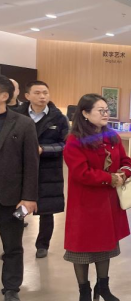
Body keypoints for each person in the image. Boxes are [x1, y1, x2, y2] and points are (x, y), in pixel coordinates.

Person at [63, 94, 131, 301]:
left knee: (105, 247)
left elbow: (126, 161)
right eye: (100, 110)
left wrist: (123, 174)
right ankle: (84, 290)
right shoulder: (74, 140)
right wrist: (109, 178)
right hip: (85, 204)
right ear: (85, 113)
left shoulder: (112, 136)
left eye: (106, 110)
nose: (105, 114)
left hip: (108, 202)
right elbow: (80, 172)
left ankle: (103, 287)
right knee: (82, 250)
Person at [17, 81, 69, 258]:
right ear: (27, 96)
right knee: (19, 210)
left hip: (48, 170)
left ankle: (42, 245)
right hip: (21, 170)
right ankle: (14, 245)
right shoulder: (17, 115)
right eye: (37, 93)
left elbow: (66, 145)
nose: (42, 96)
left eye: (45, 93)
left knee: (47, 210)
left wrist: (44, 149)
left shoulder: (59, 118)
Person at [0, 75, 39, 301]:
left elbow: (31, 164)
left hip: (12, 199)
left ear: (4, 96)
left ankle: (11, 289)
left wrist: (29, 198)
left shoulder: (23, 124)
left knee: (13, 246)